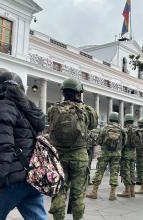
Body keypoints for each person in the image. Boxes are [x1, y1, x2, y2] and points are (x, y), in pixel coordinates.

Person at [0, 72, 47, 220]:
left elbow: (4, 146)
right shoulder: (28, 109)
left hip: (12, 179)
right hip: (32, 176)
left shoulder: (3, 107)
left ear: (0, 88)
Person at [47, 78, 98, 220]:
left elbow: (49, 123)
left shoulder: (53, 109)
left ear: (63, 92)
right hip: (80, 156)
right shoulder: (87, 110)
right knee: (78, 194)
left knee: (59, 191)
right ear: (79, 93)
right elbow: (93, 125)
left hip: (59, 157)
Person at [86, 112, 124, 201]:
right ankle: (112, 194)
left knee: (100, 171)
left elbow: (99, 140)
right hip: (116, 154)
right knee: (114, 173)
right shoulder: (121, 129)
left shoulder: (105, 128)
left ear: (110, 119)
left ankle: (94, 192)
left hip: (105, 153)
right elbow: (124, 142)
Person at [117, 114, 137, 198]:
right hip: (134, 154)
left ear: (125, 121)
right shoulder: (136, 130)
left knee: (126, 172)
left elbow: (121, 144)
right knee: (132, 171)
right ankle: (133, 191)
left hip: (126, 154)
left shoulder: (124, 130)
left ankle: (127, 190)